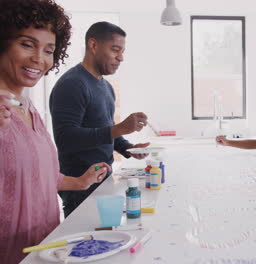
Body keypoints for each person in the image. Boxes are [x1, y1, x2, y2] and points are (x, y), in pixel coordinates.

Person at [0, 1, 111, 262]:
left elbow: (38, 175)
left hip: (45, 248)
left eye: (48, 50)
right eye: (27, 44)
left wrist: (80, 182)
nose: (39, 59)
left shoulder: (28, 108)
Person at [49, 22, 149, 217]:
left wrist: (129, 149)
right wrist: (119, 129)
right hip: (79, 184)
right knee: (85, 242)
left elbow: (106, 129)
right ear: (93, 45)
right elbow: (65, 139)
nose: (121, 57)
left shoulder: (106, 87)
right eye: (115, 50)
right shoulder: (72, 84)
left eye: (122, 51)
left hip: (103, 178)